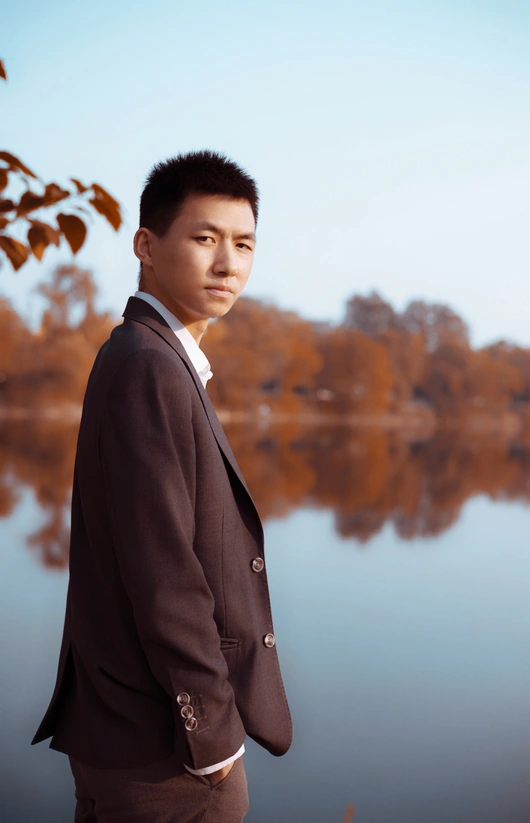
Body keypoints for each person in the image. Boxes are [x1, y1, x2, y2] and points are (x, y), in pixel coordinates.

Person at [31, 150, 292, 822]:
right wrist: (212, 738)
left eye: (243, 244)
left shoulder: (151, 356)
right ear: (146, 246)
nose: (228, 263)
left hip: (127, 730)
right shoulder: (148, 363)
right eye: (205, 238)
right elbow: (163, 571)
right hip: (166, 752)